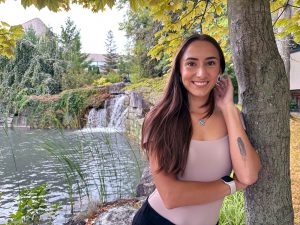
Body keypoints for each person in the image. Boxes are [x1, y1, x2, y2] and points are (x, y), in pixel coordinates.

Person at [132, 33, 261, 225]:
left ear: (220, 69)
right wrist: (233, 185)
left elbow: (249, 174)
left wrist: (228, 108)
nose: (201, 73)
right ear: (179, 69)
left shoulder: (230, 116)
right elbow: (170, 196)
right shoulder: (160, 119)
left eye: (210, 63)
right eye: (191, 63)